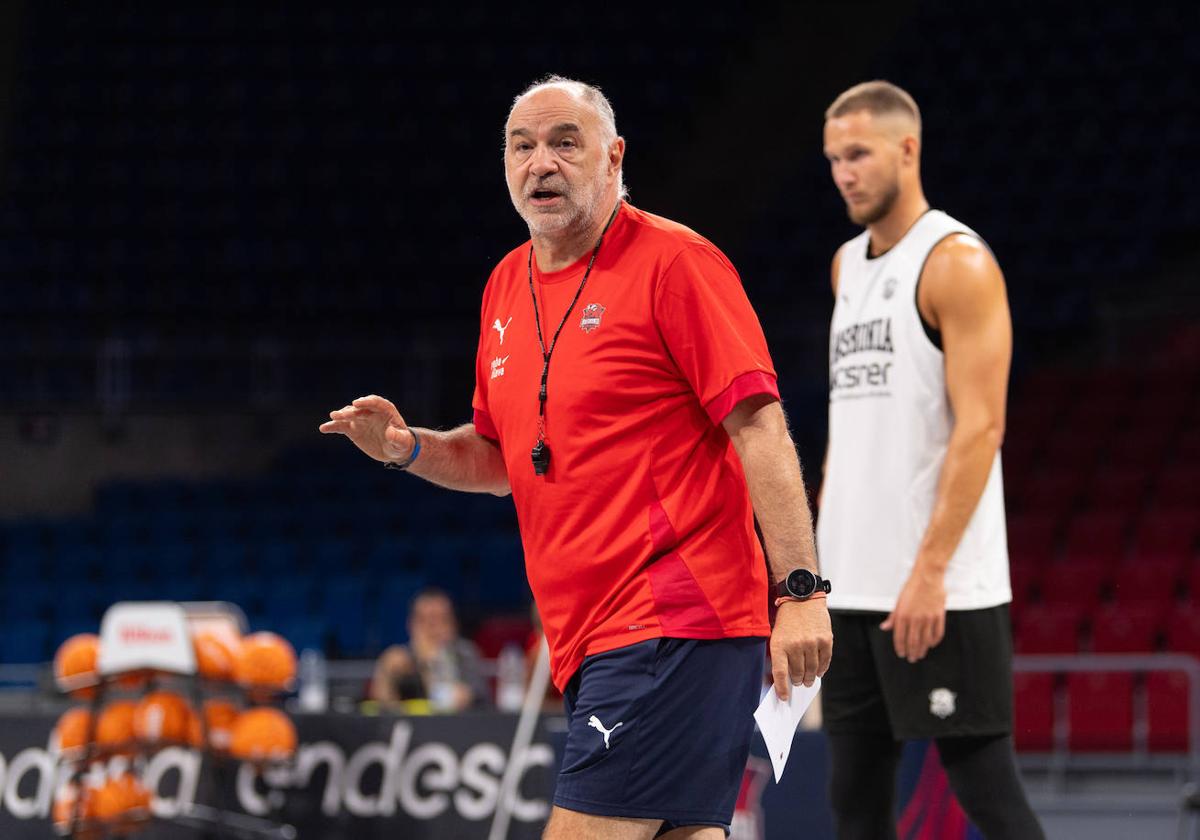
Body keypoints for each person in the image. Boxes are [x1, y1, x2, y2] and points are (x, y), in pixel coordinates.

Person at [321, 75, 832, 840]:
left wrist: (800, 591)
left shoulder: (675, 262)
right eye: (521, 146)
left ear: (613, 156)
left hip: (671, 620)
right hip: (593, 637)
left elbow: (759, 427)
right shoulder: (503, 286)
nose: (541, 164)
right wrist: (408, 448)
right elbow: (501, 459)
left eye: (565, 142)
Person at [817, 80, 1044, 839]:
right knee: (853, 801)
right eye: (832, 158)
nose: (844, 172)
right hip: (850, 587)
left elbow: (982, 428)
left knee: (988, 793)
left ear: (906, 149)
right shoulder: (846, 267)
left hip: (939, 589)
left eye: (858, 154)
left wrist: (930, 571)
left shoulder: (957, 262)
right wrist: (812, 577)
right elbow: (853, 435)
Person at [369, 587, 488, 713]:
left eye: (440, 619)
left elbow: (475, 698)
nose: (433, 629)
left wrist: (431, 664)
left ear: (453, 623)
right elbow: (381, 708)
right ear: (410, 624)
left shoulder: (465, 653)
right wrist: (386, 675)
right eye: (424, 620)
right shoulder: (399, 659)